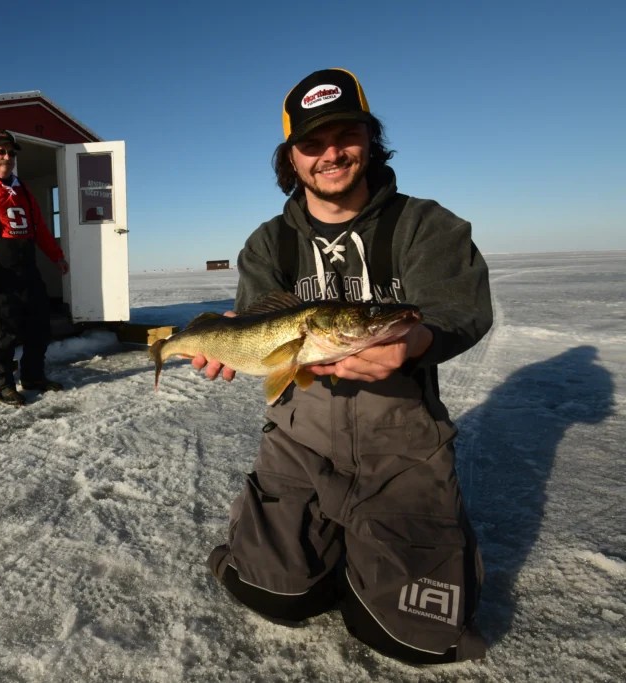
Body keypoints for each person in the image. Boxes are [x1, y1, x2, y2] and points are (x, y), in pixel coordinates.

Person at [198, 69, 493, 664]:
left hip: (401, 437)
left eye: (346, 135)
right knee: (276, 596)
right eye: (312, 142)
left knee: (410, 638)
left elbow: (460, 306)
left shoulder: (425, 224)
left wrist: (414, 344)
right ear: (291, 156)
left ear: (369, 136)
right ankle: (297, 548)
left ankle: (387, 546)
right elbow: (262, 333)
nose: (331, 153)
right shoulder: (267, 243)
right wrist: (226, 345)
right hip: (298, 437)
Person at [0, 130, 69, 406]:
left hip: (26, 271)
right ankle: (2, 385)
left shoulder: (22, 189)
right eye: (1, 151)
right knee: (2, 334)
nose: (7, 157)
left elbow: (40, 228)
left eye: (12, 153)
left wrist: (57, 256)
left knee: (39, 327)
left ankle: (33, 377)